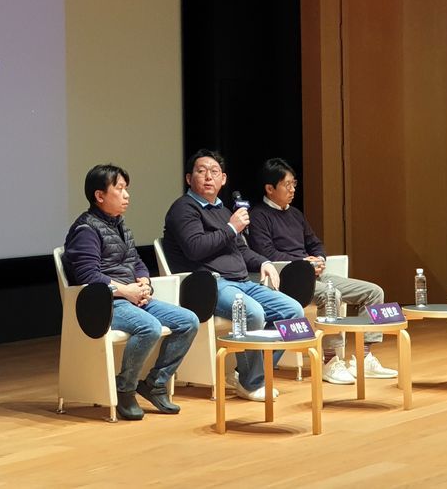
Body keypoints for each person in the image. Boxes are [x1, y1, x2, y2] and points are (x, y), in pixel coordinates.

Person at [162, 149, 304, 402]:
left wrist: (264, 262)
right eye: (201, 171)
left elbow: (241, 250)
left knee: (293, 311)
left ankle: (245, 373)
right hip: (207, 283)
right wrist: (231, 227)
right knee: (252, 313)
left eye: (214, 172)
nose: (208, 177)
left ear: (224, 179)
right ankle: (252, 383)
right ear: (188, 178)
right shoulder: (184, 208)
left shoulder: (223, 210)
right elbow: (196, 248)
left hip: (241, 282)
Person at [63, 164, 199, 420]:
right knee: (149, 327)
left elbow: (135, 261)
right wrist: (126, 291)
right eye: (120, 189)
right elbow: (88, 277)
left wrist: (145, 282)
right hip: (106, 304)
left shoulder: (120, 225)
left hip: (133, 297)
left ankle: (155, 384)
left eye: (127, 189)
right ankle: (125, 388)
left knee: (188, 321)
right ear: (99, 195)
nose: (127, 196)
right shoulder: (85, 230)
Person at [248, 157, 398, 385]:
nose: (292, 189)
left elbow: (315, 243)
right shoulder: (258, 216)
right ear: (270, 188)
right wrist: (302, 262)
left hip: (314, 273)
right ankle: (330, 361)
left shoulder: (295, 214)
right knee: (331, 295)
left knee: (373, 292)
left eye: (294, 184)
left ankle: (363, 357)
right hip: (287, 279)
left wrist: (319, 259)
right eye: (286, 185)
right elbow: (266, 253)